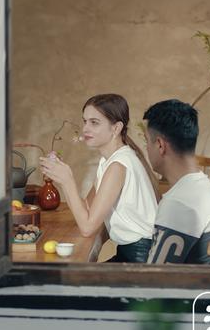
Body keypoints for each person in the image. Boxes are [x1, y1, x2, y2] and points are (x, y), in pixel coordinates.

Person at [40, 94, 159, 262]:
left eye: (94, 122)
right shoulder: (108, 161)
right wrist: (62, 179)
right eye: (85, 121)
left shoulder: (118, 165)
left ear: (116, 128)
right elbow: (88, 209)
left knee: (69, 276)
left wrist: (67, 181)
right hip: (132, 253)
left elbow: (87, 228)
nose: (85, 129)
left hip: (141, 259)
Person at [143, 99, 210, 264]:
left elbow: (155, 276)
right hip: (209, 279)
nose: (146, 148)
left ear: (160, 145)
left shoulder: (179, 204)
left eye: (147, 141)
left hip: (190, 282)